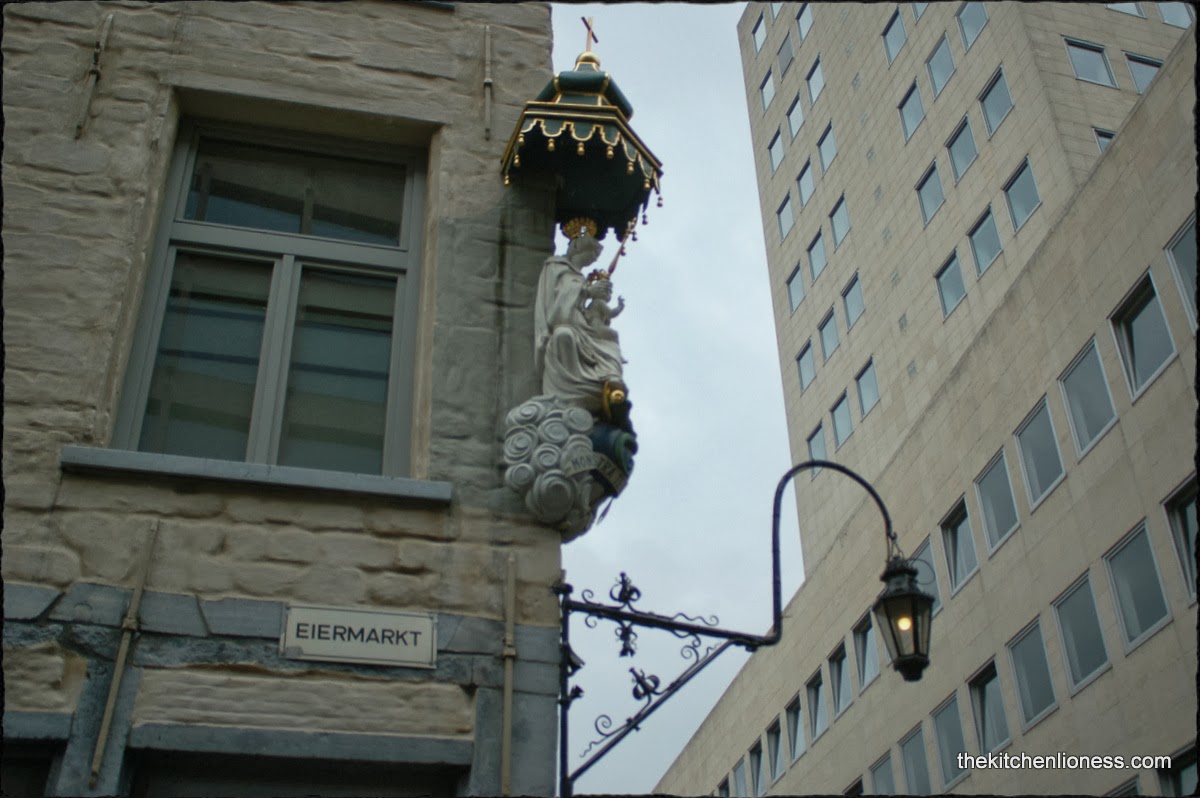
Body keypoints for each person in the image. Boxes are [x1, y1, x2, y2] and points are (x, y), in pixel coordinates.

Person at [534, 219, 626, 413]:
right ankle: (568, 393)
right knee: (564, 336)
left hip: (582, 324)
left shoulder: (579, 276)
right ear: (576, 247)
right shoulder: (555, 267)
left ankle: (610, 379)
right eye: (590, 255)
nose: (591, 260)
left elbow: (589, 309)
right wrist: (587, 291)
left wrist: (596, 299)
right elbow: (555, 299)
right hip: (563, 322)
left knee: (609, 341)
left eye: (594, 258)